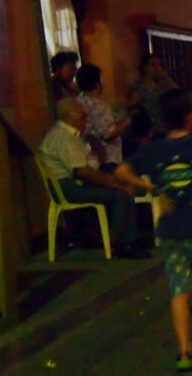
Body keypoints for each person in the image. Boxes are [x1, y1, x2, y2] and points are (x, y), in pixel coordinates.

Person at [116, 89, 192, 371]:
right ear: (191, 117)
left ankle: (184, 351)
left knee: (179, 290)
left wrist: (152, 188)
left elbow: (121, 172)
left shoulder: (153, 149)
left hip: (169, 232)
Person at [39, 98, 149, 259]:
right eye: (83, 115)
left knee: (126, 185)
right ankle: (122, 242)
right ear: (70, 116)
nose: (86, 119)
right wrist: (113, 183)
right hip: (71, 187)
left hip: (77, 182)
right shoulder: (63, 138)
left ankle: (130, 236)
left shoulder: (68, 135)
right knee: (120, 194)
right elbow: (83, 172)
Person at [75, 64, 131, 172]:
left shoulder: (76, 103)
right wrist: (128, 120)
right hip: (107, 158)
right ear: (97, 83)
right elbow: (109, 133)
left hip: (87, 157)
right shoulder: (98, 106)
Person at [127, 53, 179, 138]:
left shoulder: (162, 84)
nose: (156, 68)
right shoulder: (138, 88)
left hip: (166, 127)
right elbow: (133, 109)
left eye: (159, 64)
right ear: (145, 67)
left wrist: (164, 76)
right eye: (153, 65)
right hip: (150, 130)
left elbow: (176, 92)